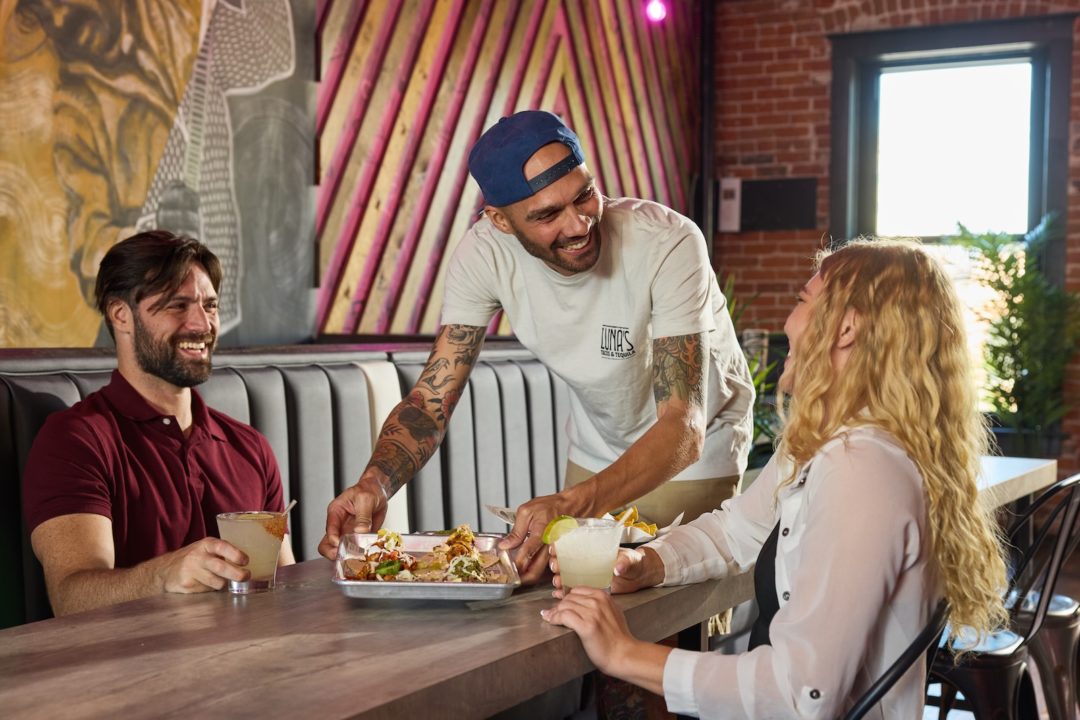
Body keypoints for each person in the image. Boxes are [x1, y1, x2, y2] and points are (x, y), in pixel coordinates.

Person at [541, 239, 1009, 718]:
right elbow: (737, 528)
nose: (787, 322)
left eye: (803, 301)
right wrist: (648, 563)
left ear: (846, 327)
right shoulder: (833, 440)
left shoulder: (861, 470)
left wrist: (623, 653)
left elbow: (801, 692)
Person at [319, 110, 754, 584]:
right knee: (569, 600)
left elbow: (682, 427)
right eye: (547, 215)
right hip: (596, 446)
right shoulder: (483, 254)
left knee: (660, 613)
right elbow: (429, 403)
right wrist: (374, 484)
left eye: (584, 195)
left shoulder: (668, 242)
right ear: (500, 222)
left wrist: (570, 504)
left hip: (693, 450)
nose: (577, 225)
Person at [22, 230, 295, 616]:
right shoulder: (76, 441)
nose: (202, 324)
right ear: (121, 315)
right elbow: (71, 597)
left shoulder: (249, 447)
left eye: (211, 306)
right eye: (178, 306)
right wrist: (163, 576)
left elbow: (283, 586)